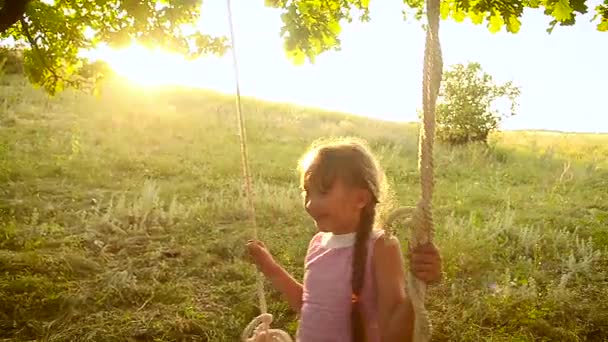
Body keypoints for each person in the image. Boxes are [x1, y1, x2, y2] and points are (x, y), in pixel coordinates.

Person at [246, 137, 442, 342]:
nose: (310, 204)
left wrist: (419, 284)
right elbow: (309, 308)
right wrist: (270, 267)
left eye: (322, 191)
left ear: (361, 198)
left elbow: (393, 330)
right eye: (306, 192)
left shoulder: (381, 247)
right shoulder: (317, 243)